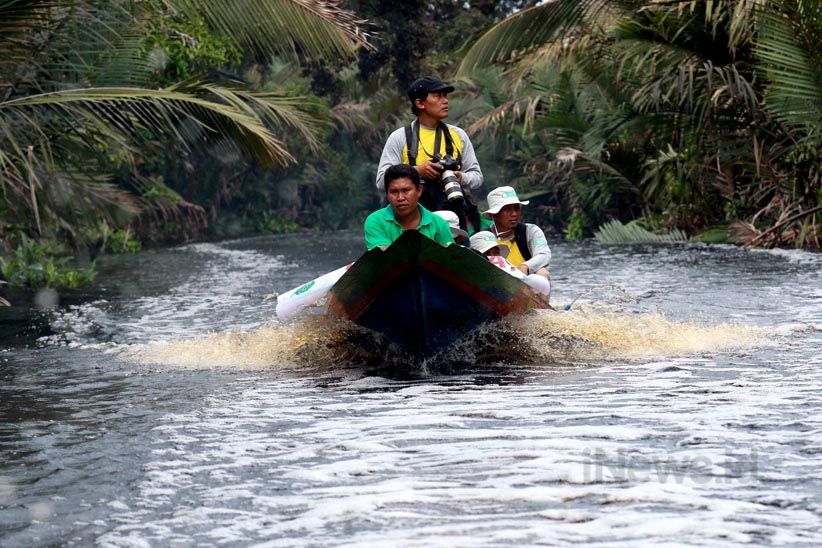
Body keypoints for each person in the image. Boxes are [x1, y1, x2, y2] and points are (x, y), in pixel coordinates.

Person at [375, 76, 483, 233]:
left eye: (445, 96)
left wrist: (460, 177)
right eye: (438, 96)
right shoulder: (400, 137)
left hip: (453, 221)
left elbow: (477, 177)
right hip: (410, 224)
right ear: (420, 103)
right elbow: (381, 181)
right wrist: (416, 171)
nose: (445, 101)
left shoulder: (458, 136)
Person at [364, 164, 454, 250]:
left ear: (419, 191)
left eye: (406, 190)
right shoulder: (376, 221)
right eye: (394, 192)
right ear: (387, 194)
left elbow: (451, 258)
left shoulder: (439, 224)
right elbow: (385, 258)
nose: (400, 198)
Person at [483, 186, 551, 278]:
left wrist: (525, 266)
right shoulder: (484, 238)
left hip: (527, 280)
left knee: (542, 272)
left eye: (516, 208)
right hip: (496, 280)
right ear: (493, 215)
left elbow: (544, 255)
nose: (514, 214)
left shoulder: (531, 231)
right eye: (507, 209)